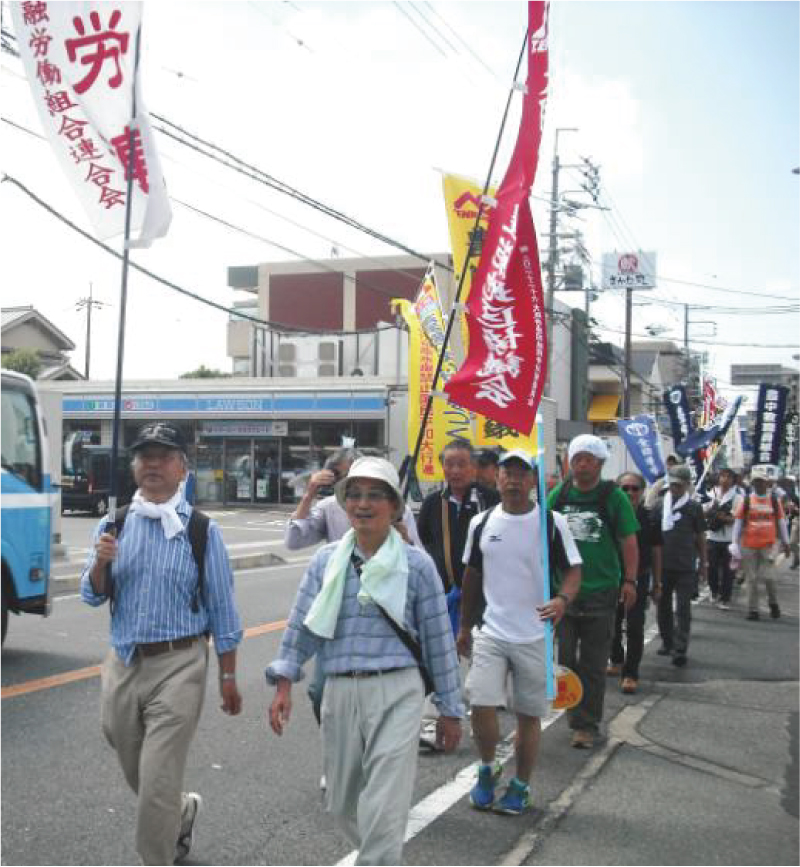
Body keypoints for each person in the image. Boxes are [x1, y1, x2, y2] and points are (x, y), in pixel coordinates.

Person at [266, 456, 463, 866]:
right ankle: (384, 857)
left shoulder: (416, 564)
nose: (362, 504)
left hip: (398, 689)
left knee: (386, 802)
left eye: (375, 495)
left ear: (394, 506)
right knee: (342, 802)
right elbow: (302, 623)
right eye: (353, 495)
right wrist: (284, 681)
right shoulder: (327, 561)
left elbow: (438, 641)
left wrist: (450, 708)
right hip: (339, 687)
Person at [81, 422, 243, 866]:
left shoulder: (202, 531)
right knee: (132, 754)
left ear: (183, 469)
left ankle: (156, 856)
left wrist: (228, 674)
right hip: (124, 659)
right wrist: (100, 563)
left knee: (155, 783)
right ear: (134, 466)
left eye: (163, 456)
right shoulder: (114, 524)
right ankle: (181, 810)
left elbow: (223, 609)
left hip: (180, 664)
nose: (152, 464)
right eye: (144, 456)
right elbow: (92, 593)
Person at [457, 450, 582, 814]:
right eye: (506, 473)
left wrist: (562, 600)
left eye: (521, 473)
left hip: (534, 635)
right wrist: (465, 625)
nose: (513, 479)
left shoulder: (550, 522)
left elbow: (574, 570)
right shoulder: (481, 522)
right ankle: (487, 766)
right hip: (491, 631)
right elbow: (471, 576)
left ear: (533, 482)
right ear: (496, 479)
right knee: (480, 701)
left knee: (529, 715)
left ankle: (521, 785)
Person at [285, 447, 421, 726]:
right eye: (349, 483)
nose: (362, 501)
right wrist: (309, 493)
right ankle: (339, 738)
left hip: (386, 605)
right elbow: (294, 540)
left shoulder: (398, 510)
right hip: (340, 607)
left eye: (371, 491)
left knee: (384, 691)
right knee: (321, 690)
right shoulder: (328, 509)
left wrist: (403, 539)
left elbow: (420, 562)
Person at [548, 434, 639, 749]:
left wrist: (630, 581)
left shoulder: (613, 498)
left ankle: (587, 724)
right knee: (565, 658)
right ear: (569, 463)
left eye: (588, 459)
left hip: (602, 591)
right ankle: (576, 714)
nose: (582, 464)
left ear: (600, 463)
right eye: (577, 458)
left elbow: (629, 541)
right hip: (565, 595)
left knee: (593, 661)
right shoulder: (558, 497)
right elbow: (541, 535)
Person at [608, 472, 662, 694]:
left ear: (642, 491)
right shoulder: (609, 515)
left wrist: (657, 583)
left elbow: (657, 551)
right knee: (611, 623)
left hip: (639, 577)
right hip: (611, 577)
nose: (630, 492)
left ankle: (631, 673)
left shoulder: (650, 517)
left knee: (634, 626)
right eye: (625, 488)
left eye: (634, 488)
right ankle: (617, 660)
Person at [653, 464, 707, 666]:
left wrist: (703, 563)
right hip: (662, 565)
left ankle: (680, 648)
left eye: (679, 485)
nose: (675, 489)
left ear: (687, 486)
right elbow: (651, 536)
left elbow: (701, 536)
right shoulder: (659, 505)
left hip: (685, 565)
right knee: (662, 606)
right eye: (672, 485)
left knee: (683, 608)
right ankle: (667, 642)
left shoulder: (693, 507)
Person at [731, 465, 791, 621]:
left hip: (768, 545)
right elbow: (738, 522)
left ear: (767, 483)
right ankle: (753, 610)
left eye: (761, 482)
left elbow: (781, 522)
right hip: (749, 545)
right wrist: (734, 543)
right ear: (752, 483)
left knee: (769, 577)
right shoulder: (746, 500)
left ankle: (773, 602)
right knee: (751, 579)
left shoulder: (774, 500)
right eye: (756, 482)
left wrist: (786, 542)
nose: (759, 485)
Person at [703, 467, 739, 609]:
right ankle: (714, 591)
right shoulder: (711, 494)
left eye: (728, 477)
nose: (725, 479)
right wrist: (708, 512)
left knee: (728, 571)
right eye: (723, 476)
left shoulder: (737, 497)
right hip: (712, 537)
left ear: (733, 480)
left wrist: (722, 517)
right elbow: (702, 511)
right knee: (711, 567)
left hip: (729, 540)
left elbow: (737, 519)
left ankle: (725, 598)